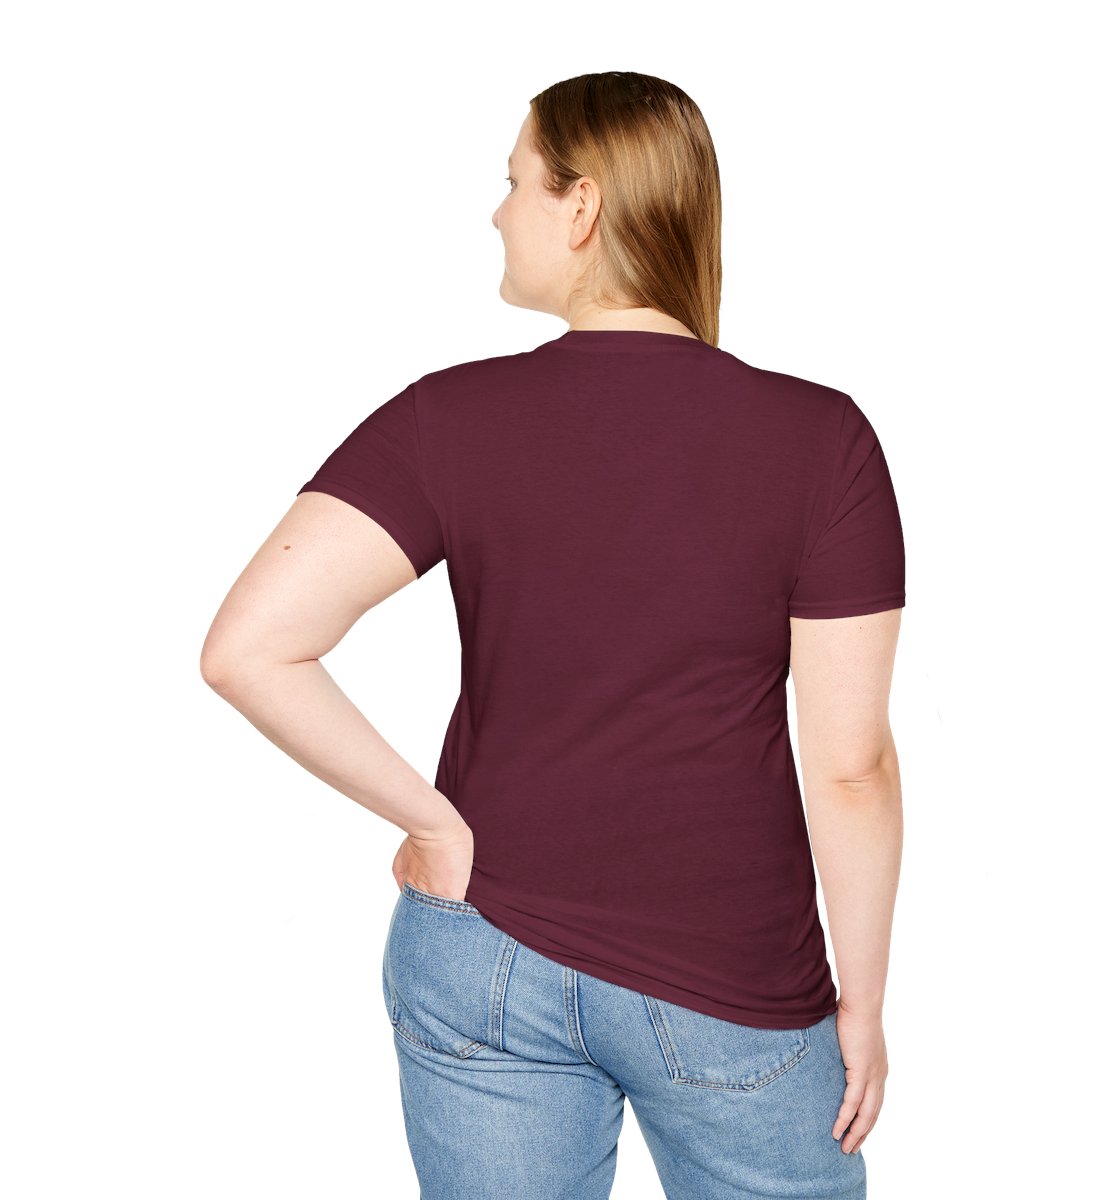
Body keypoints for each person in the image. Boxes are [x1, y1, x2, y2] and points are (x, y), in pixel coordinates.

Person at [201, 70, 904, 1200]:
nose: (497, 212)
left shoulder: (447, 416)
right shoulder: (822, 440)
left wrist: (432, 823)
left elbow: (250, 647)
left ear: (582, 206)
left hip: (484, 953)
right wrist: (859, 1004)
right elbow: (851, 766)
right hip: (733, 982)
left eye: (515, 181)